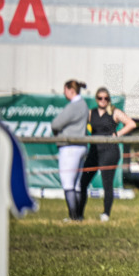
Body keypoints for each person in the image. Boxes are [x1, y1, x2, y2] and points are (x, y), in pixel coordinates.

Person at [79, 87, 136, 222]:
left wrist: (117, 134)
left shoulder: (114, 112)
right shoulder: (90, 113)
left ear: (109, 99)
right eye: (100, 98)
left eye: (106, 98)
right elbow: (81, 125)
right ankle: (78, 214)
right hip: (94, 151)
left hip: (109, 151)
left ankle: (106, 214)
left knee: (107, 183)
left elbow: (131, 124)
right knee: (83, 182)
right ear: (96, 99)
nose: (103, 101)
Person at [50, 79, 89, 221]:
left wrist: (57, 132)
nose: (63, 92)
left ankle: (73, 217)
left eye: (65, 89)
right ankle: (78, 216)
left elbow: (56, 123)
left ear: (69, 90)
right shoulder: (84, 105)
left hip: (70, 147)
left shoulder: (74, 105)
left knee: (67, 182)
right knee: (77, 184)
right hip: (81, 147)